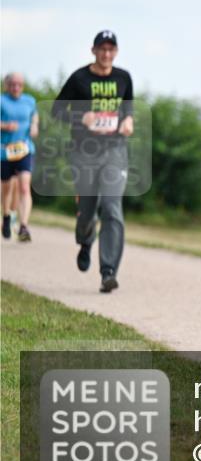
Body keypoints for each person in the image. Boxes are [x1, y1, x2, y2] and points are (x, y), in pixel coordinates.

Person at [52, 30, 135, 293]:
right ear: (93, 50)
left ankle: (108, 271)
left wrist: (128, 121)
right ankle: (86, 241)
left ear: (116, 52)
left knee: (111, 207)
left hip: (115, 151)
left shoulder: (124, 78)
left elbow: (128, 108)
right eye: (102, 49)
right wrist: (81, 119)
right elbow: (56, 110)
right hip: (84, 151)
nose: (106, 54)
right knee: (88, 211)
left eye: (111, 49)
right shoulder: (79, 78)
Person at [1, 72, 38, 242]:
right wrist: (5, 126)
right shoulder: (2, 100)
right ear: (6, 85)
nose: (16, 87)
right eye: (12, 84)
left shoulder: (29, 100)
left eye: (19, 84)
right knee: (7, 187)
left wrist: (35, 127)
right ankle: (7, 215)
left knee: (24, 186)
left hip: (25, 148)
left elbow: (34, 116)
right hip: (5, 150)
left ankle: (23, 225)